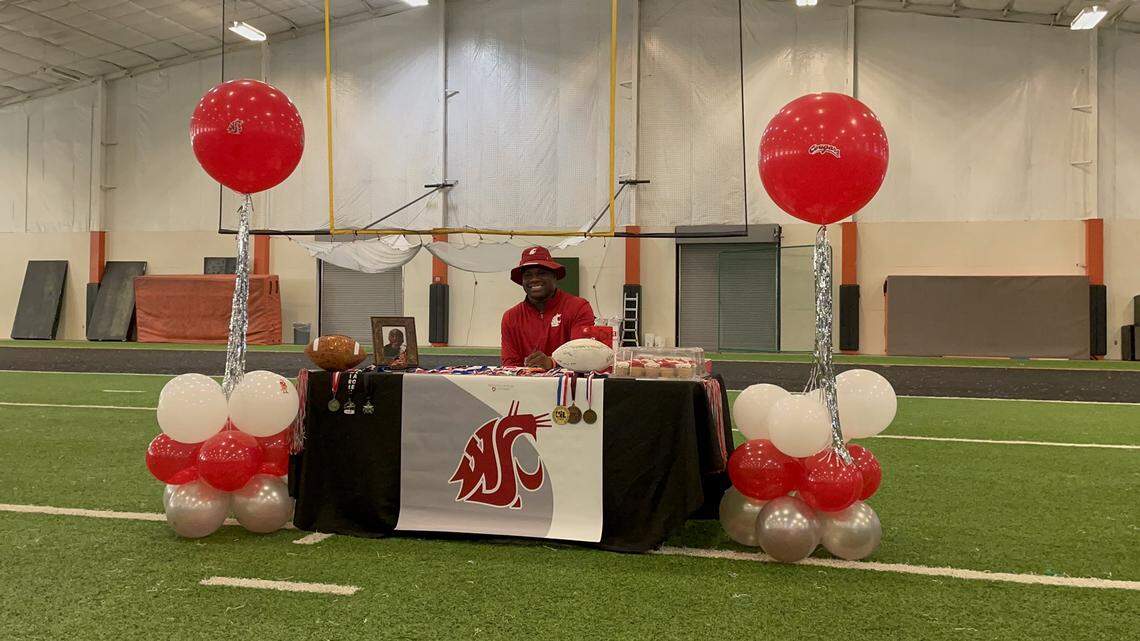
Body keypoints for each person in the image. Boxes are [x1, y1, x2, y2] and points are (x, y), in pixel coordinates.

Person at [501, 246, 595, 369]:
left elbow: (582, 353)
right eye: (528, 275)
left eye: (542, 273)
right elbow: (510, 365)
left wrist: (552, 362)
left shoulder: (579, 307)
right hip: (526, 385)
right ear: (522, 281)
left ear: (555, 276)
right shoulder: (511, 317)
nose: (534, 279)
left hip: (569, 387)